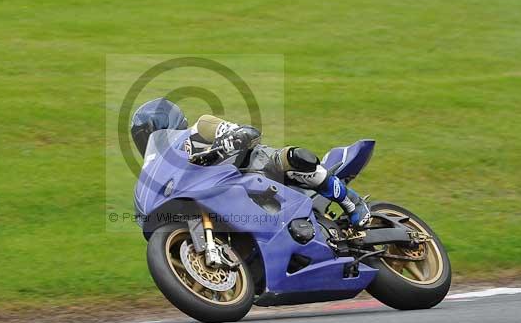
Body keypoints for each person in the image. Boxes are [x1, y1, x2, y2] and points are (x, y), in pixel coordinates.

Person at [130, 98, 370, 228]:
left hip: (250, 171)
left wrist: (232, 139)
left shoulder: (199, 128)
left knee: (292, 158)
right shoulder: (157, 172)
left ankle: (352, 202)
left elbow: (245, 131)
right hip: (218, 199)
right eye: (143, 137)